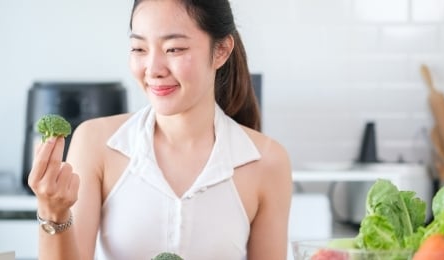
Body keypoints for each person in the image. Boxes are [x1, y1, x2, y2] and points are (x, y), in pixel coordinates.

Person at [27, 0, 293, 259]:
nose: (153, 69)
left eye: (174, 49)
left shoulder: (267, 161)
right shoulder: (96, 143)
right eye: (139, 49)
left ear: (221, 50)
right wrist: (53, 212)